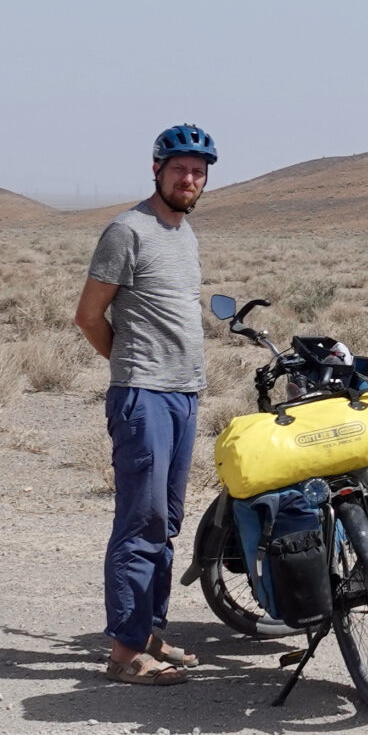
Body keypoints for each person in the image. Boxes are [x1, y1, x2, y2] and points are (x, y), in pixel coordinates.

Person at [72, 124, 217, 686]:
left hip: (183, 394)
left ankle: (151, 631)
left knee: (168, 521)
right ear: (157, 170)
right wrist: (130, 371)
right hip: (144, 394)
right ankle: (125, 652)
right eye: (180, 168)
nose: (189, 179)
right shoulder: (126, 231)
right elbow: (88, 315)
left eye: (198, 171)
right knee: (141, 522)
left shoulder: (184, 233)